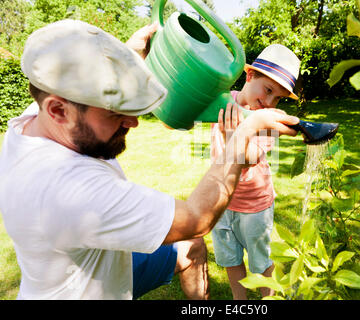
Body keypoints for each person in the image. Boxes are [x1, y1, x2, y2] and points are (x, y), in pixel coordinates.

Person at [0, 20, 299, 300]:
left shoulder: (35, 119)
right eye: (115, 112)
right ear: (58, 111)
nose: (134, 123)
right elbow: (197, 218)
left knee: (191, 250)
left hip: (95, 255)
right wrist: (239, 142)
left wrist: (127, 57)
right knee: (193, 237)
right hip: (92, 289)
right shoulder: (71, 191)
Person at [210, 44, 301, 299]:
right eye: (269, 90)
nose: (270, 101)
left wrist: (233, 138)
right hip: (221, 200)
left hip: (254, 206)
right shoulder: (222, 101)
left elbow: (249, 159)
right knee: (231, 260)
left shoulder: (270, 118)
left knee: (260, 264)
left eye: (278, 98)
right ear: (250, 76)